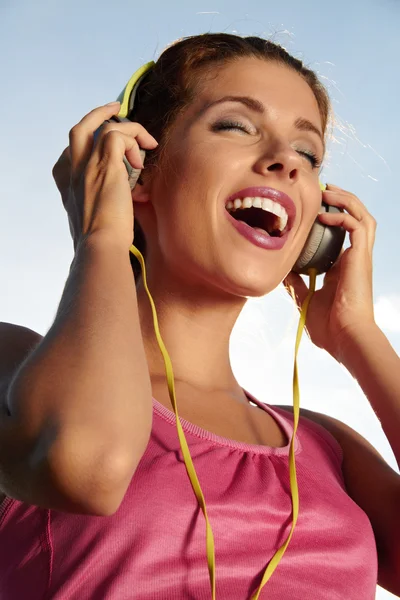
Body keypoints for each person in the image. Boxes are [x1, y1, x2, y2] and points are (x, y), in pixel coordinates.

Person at [0, 33, 399, 600]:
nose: (286, 161)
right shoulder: (14, 367)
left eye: (308, 155)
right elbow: (87, 466)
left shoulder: (323, 443)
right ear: (139, 171)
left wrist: (358, 336)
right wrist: (101, 235)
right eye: (235, 125)